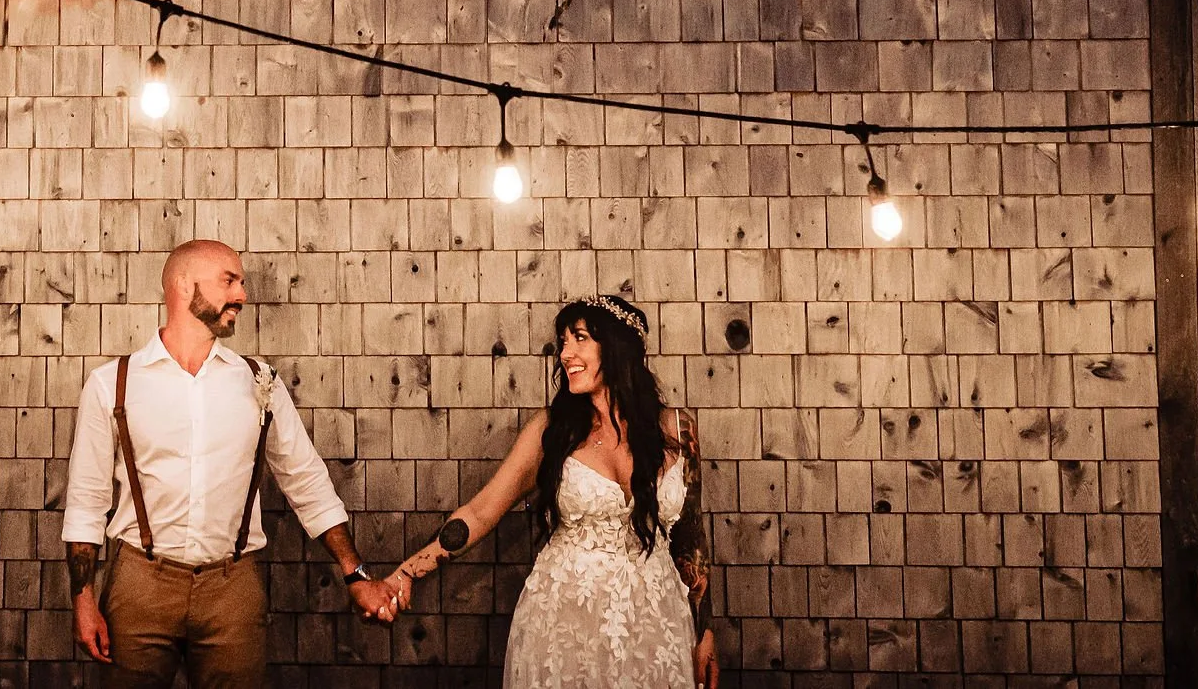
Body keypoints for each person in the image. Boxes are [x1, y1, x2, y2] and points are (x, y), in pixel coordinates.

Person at [61, 239, 402, 688]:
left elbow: (307, 483)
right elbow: (87, 502)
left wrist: (355, 573)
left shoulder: (259, 381)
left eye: (241, 283)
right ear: (184, 285)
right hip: (139, 585)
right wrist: (84, 601)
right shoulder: (112, 384)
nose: (242, 294)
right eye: (230, 281)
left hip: (232, 587)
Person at [385, 294, 718, 688]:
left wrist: (705, 632)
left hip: (658, 621)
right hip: (565, 623)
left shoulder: (678, 430)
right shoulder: (552, 432)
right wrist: (406, 573)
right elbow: (481, 512)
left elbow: (690, 537)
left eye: (579, 338)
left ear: (617, 349)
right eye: (562, 341)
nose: (565, 353)